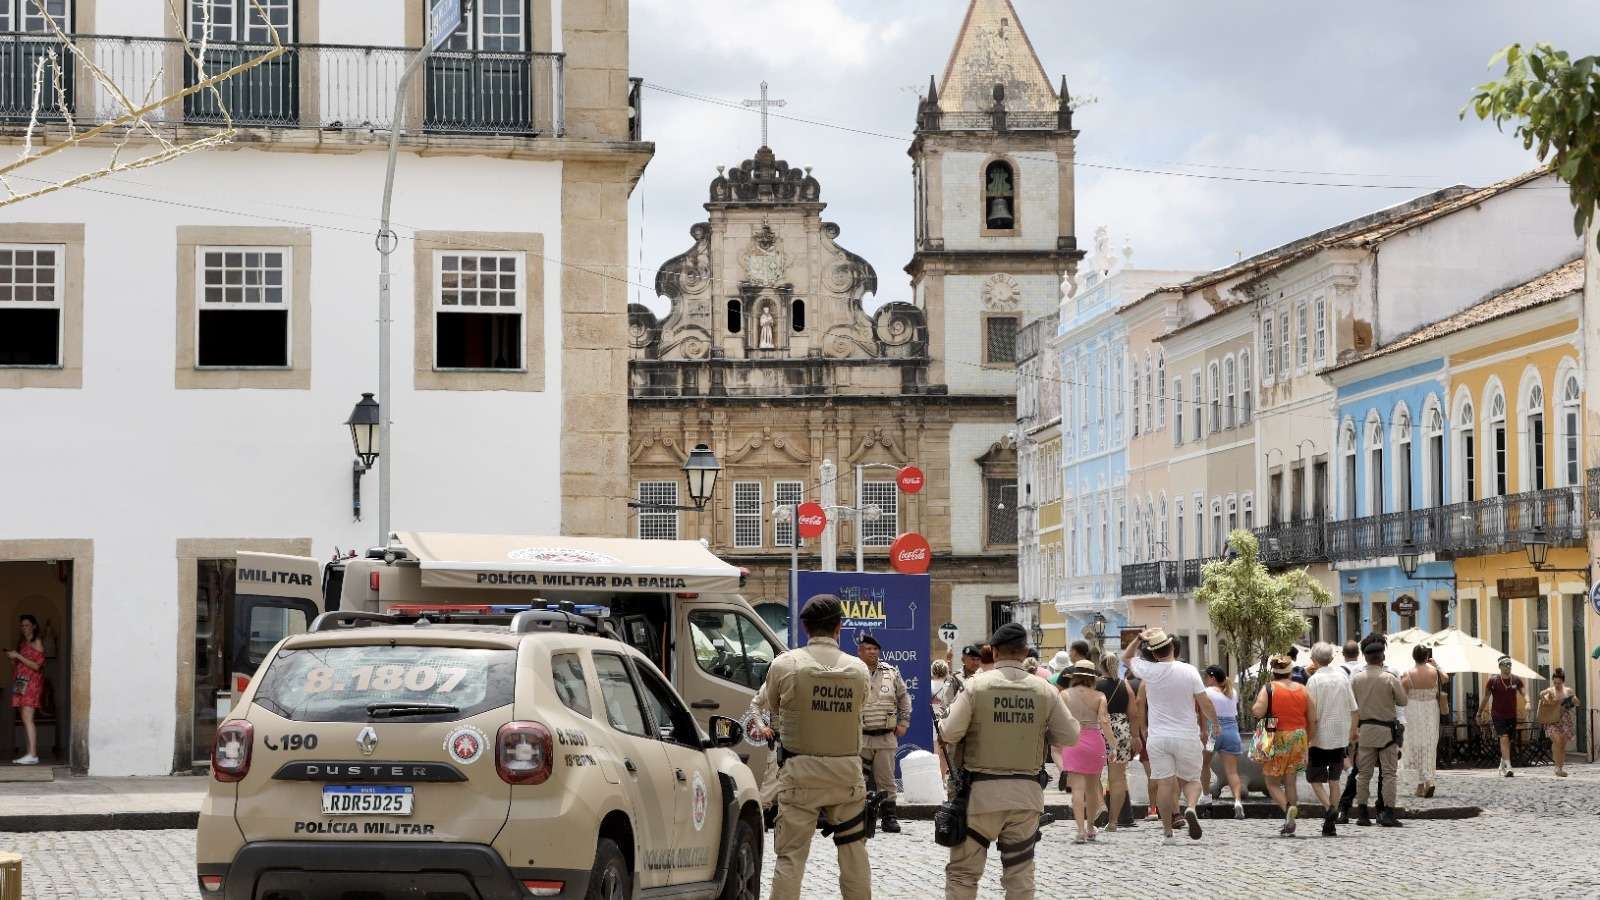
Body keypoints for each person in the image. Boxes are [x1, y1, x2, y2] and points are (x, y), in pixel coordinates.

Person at [748, 595, 873, 900]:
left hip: (799, 772)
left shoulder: (786, 664)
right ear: (838, 628)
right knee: (854, 852)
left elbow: (774, 707)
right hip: (846, 773)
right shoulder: (858, 669)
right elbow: (862, 706)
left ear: (805, 627)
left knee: (790, 857)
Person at [942, 622, 1078, 899]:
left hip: (979, 796)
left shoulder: (975, 686)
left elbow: (950, 732)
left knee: (963, 875)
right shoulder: (1044, 690)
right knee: (1020, 876)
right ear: (1025, 651)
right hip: (1025, 797)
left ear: (993, 651)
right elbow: (1071, 735)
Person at [1121, 628, 1212, 844]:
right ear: (1172, 647)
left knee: (1164, 784)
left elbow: (1125, 657)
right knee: (1192, 780)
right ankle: (1189, 807)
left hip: (1158, 737)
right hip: (1187, 735)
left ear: (1153, 653)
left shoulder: (1148, 671)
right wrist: (1214, 723)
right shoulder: (1189, 671)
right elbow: (1204, 702)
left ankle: (1168, 833)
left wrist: (1138, 638)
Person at [1251, 654, 1317, 836]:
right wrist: (1308, 740)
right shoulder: (1303, 689)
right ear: (1289, 672)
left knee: (1271, 782)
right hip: (1299, 736)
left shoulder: (1269, 688)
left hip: (1276, 735)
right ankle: (1290, 821)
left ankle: (1288, 809)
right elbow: (1313, 718)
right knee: (1290, 781)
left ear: (1274, 672)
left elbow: (1258, 710)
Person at [1350, 632, 1407, 828]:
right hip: (1386, 732)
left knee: (1364, 774)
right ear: (1382, 657)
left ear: (1365, 657)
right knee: (1389, 773)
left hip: (1365, 731)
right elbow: (1403, 700)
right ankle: (1388, 812)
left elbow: (1352, 704)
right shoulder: (1389, 678)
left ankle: (1363, 812)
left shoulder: (1356, 679)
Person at [857, 634, 910, 834]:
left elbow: (903, 698)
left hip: (886, 736)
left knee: (886, 779)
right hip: (860, 736)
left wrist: (904, 722)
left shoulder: (891, 672)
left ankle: (889, 817)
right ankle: (859, 816)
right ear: (860, 651)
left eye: (875, 649)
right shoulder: (852, 671)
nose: (872, 652)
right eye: (867, 649)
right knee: (857, 780)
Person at [1305, 642, 1358, 837]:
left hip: (1319, 737)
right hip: (1339, 735)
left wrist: (1308, 737)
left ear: (1314, 659)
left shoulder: (1314, 681)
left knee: (1314, 779)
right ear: (1332, 658)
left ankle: (1330, 809)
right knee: (1334, 779)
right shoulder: (1343, 677)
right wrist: (1353, 730)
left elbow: (1311, 713)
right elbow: (1354, 708)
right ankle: (1331, 821)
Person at [1057, 660, 1110, 843]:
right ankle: (1090, 828)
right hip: (1094, 741)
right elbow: (1104, 721)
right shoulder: (1099, 696)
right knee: (1093, 788)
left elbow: (1060, 721)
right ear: (1092, 678)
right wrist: (1114, 744)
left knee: (1077, 790)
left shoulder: (1064, 695)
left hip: (1073, 741)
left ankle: (1080, 830)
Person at [1094, 651, 1135, 830]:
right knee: (1118, 778)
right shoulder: (1125, 685)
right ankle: (1113, 821)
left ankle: (1100, 806)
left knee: (1093, 774)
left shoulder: (1095, 685)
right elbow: (1133, 713)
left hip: (1099, 729)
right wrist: (1134, 735)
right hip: (1122, 730)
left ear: (1100, 665)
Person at [1401, 645, 1449, 797]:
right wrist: (1435, 664)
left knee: (1416, 747)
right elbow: (1446, 678)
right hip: (1430, 710)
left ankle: (1421, 785)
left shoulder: (1408, 673)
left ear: (1413, 656)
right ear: (1426, 656)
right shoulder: (1434, 672)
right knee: (1428, 746)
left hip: (1413, 711)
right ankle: (1429, 781)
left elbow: (1402, 696)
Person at [1200, 665, 1245, 820]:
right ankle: (1238, 802)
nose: (1205, 680)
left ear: (1212, 678)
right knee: (1232, 771)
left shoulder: (1207, 692)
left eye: (1206, 677)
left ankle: (1206, 798)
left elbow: (1201, 711)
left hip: (1214, 731)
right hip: (1232, 731)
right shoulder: (1232, 692)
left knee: (1205, 764)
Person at [8, 614, 45, 766]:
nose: (24, 628)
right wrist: (13, 660)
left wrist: (18, 656)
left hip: (31, 683)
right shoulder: (22, 643)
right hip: (21, 682)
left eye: (27, 625)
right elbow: (19, 668)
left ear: (34, 626)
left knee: (28, 718)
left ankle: (33, 754)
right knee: (24, 718)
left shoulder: (37, 642)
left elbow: (37, 666)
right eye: (22, 626)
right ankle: (29, 753)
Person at [1480, 657, 1525, 777]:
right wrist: (1479, 713)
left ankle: (1502, 764)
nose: (1508, 666)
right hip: (1497, 714)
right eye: (1506, 664)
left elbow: (1524, 693)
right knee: (1504, 738)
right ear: (1500, 666)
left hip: (1511, 715)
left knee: (1508, 741)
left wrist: (1528, 702)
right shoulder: (1492, 681)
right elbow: (1486, 697)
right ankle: (1509, 767)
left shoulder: (1516, 680)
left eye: (1510, 664)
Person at [1538, 668, 1577, 777]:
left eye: (1558, 683)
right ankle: (1557, 767)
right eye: (1554, 682)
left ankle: (1559, 767)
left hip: (1565, 720)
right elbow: (1544, 701)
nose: (1556, 685)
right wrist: (1543, 694)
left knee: (1562, 745)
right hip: (1552, 720)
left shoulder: (1568, 691)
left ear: (1563, 682)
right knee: (1558, 740)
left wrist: (1573, 700)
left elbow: (1576, 702)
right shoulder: (1550, 690)